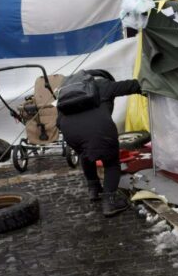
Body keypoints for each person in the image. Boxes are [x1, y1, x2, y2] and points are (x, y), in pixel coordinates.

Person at [57, 69, 142, 217]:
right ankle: (109, 203)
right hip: (99, 128)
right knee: (111, 163)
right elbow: (133, 86)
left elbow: (58, 119)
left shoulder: (69, 92)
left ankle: (94, 189)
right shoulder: (104, 84)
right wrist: (150, 87)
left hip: (69, 131)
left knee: (85, 154)